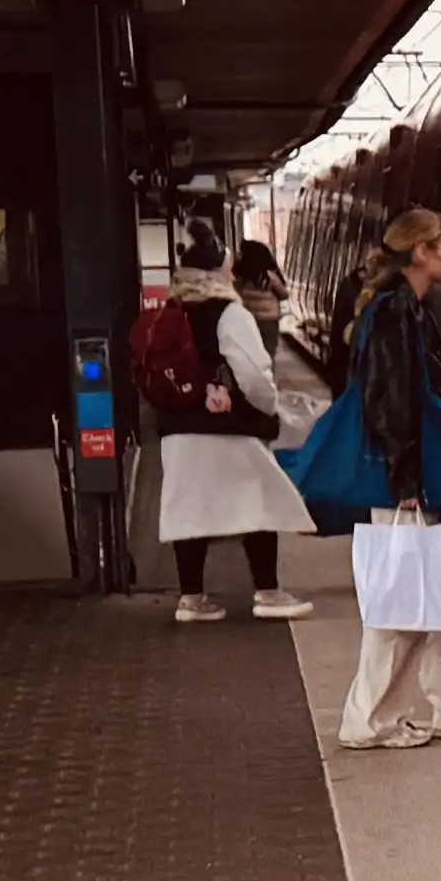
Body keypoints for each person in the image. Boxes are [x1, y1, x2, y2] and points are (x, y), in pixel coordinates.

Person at [321, 207, 441, 748]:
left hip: (427, 472)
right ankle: (370, 720)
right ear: (422, 252)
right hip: (408, 480)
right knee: (402, 607)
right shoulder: (392, 314)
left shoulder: (421, 307)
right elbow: (390, 406)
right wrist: (405, 486)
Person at [155, 249, 316, 624]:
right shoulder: (229, 312)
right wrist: (269, 406)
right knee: (260, 501)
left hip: (176, 429)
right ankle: (268, 592)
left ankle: (191, 600)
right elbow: (254, 373)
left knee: (189, 511)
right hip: (228, 427)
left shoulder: (170, 312)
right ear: (217, 272)